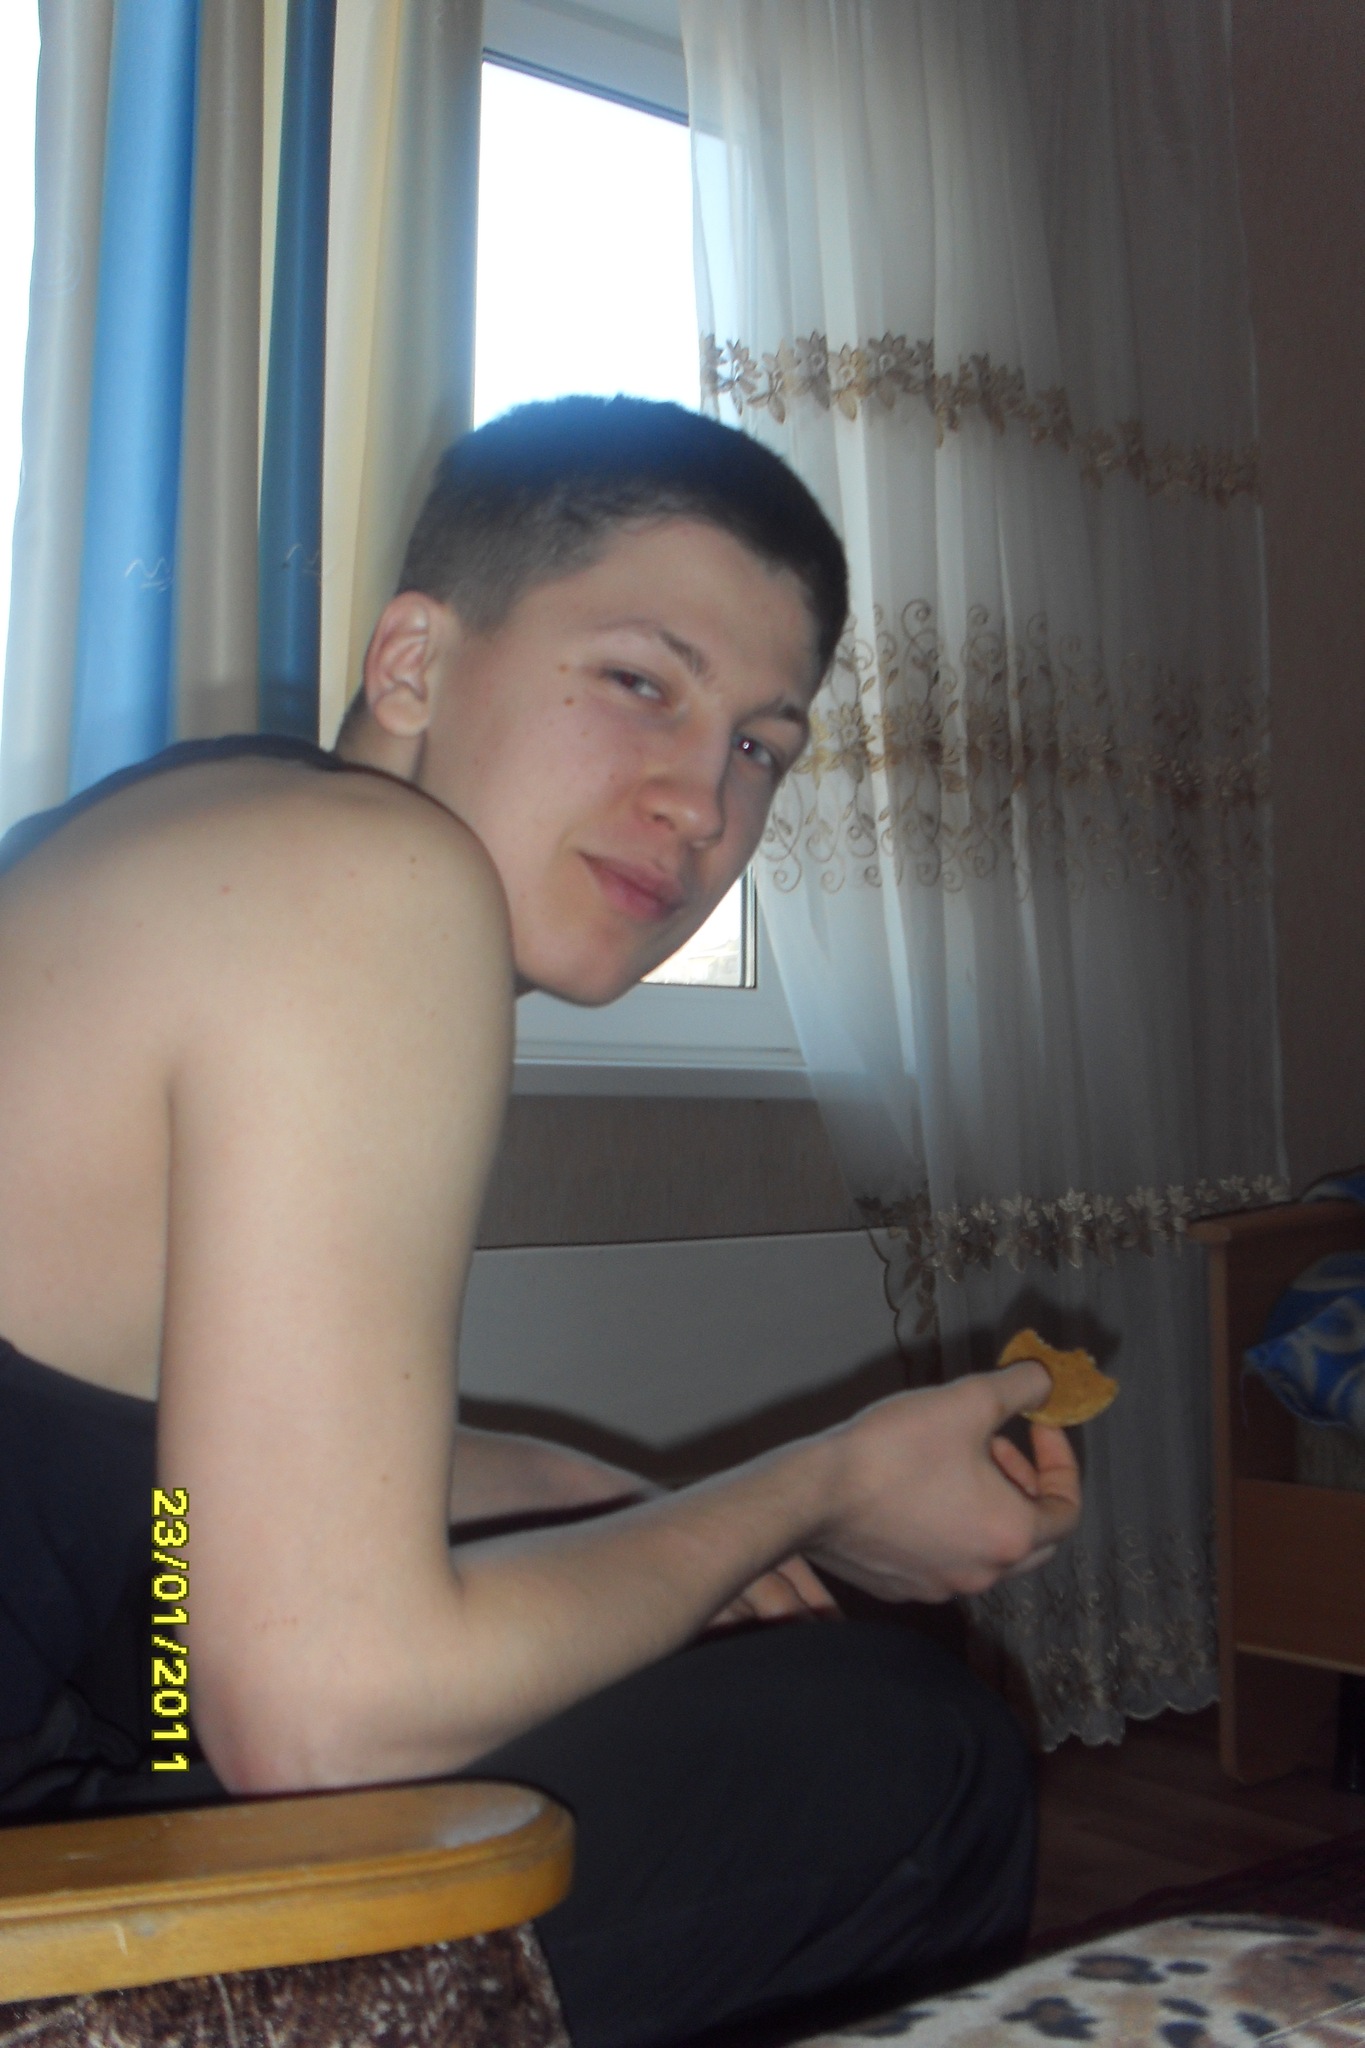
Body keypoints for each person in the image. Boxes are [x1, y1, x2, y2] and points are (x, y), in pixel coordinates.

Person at [0, 397, 1080, 2048]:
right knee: (906, 1752)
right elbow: (325, 1717)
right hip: (41, 1935)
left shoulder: (206, 835)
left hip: (74, 1757)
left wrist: (576, 1486)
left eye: (760, 747)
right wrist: (817, 1486)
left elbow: (144, 1467)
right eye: (641, 682)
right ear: (414, 661)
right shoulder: (364, 882)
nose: (702, 802)